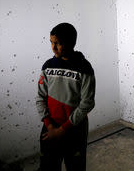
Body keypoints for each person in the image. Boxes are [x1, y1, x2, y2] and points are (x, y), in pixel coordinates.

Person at [36, 23, 96, 171]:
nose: (53, 47)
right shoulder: (47, 66)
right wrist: (50, 126)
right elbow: (40, 97)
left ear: (71, 43)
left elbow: (87, 103)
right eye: (51, 42)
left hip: (74, 130)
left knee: (75, 167)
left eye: (58, 43)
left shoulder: (84, 68)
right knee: (48, 166)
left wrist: (62, 130)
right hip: (50, 129)